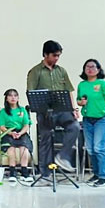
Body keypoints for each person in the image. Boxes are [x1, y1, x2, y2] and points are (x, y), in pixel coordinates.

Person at [26, 40, 80, 178]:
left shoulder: (61, 71)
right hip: (44, 112)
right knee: (45, 138)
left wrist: (73, 109)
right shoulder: (35, 71)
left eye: (58, 56)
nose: (56, 58)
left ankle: (63, 156)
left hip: (62, 110)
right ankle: (45, 173)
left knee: (74, 126)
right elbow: (31, 92)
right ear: (45, 54)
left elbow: (68, 91)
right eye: (54, 55)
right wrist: (40, 109)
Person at [77, 58, 105, 188]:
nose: (90, 69)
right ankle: (96, 174)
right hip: (87, 119)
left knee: (99, 148)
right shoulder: (82, 85)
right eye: (87, 66)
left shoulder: (103, 84)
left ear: (98, 69)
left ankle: (103, 177)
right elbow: (78, 101)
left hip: (101, 119)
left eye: (93, 67)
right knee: (90, 149)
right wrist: (81, 103)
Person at [0, 88, 33, 180]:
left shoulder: (22, 110)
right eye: (10, 95)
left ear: (18, 98)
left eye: (15, 95)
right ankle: (12, 172)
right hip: (8, 132)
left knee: (24, 149)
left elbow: (26, 125)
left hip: (21, 132)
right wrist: (10, 133)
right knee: (11, 149)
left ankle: (25, 172)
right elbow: (1, 126)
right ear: (6, 99)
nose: (13, 98)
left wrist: (20, 133)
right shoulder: (3, 112)